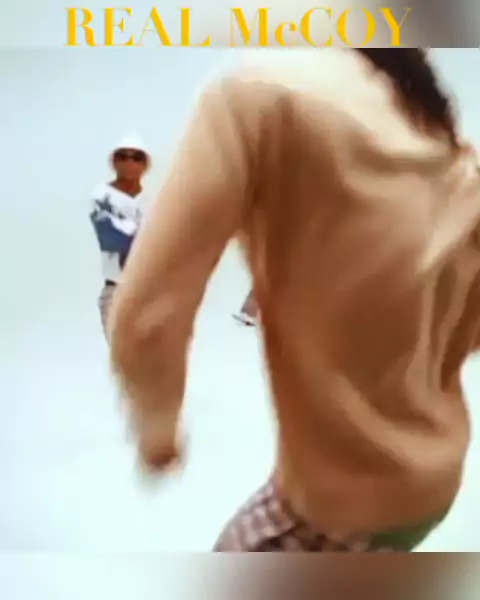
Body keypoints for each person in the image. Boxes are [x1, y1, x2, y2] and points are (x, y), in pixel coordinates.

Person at [108, 49, 480, 552]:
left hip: (339, 504)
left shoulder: (256, 96)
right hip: (433, 482)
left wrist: (157, 430)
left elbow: (149, 313)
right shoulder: (440, 136)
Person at [89, 134, 151, 337]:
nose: (129, 162)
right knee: (124, 354)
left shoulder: (151, 199)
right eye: (123, 156)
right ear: (114, 162)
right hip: (117, 291)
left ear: (144, 164)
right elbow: (111, 237)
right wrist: (147, 236)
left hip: (150, 292)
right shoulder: (102, 194)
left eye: (136, 157)